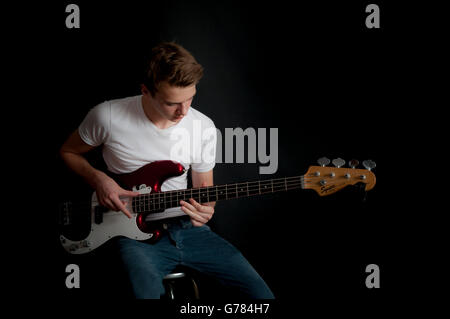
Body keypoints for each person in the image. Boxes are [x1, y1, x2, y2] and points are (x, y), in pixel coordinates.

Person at [60, 42, 274, 299]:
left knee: (261, 296)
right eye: (172, 103)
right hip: (130, 231)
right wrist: (99, 179)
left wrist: (207, 210)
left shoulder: (203, 126)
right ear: (145, 91)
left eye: (190, 99)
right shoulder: (107, 116)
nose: (184, 111)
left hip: (188, 229)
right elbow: (68, 151)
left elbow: (205, 190)